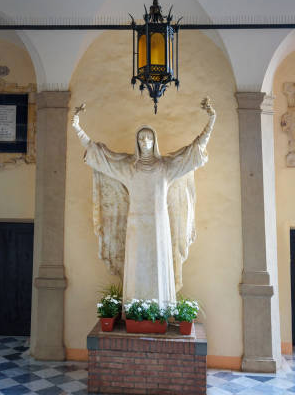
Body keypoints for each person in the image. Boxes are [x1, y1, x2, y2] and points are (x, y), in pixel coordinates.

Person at [72, 98, 216, 305]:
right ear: (137, 142)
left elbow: (194, 151)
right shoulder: (129, 169)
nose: (145, 142)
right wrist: (77, 127)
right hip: (136, 225)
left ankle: (162, 308)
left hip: (160, 224)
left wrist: (211, 120)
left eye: (149, 138)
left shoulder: (166, 168)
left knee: (160, 262)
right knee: (136, 263)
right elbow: (101, 157)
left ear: (154, 141)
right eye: (142, 139)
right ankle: (135, 308)